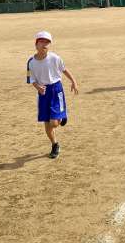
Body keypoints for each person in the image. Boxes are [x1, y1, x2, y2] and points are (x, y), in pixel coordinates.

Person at [27, 31, 79, 159]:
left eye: (47, 42)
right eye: (42, 41)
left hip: (56, 90)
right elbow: (30, 79)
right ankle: (55, 144)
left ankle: (62, 115)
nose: (44, 44)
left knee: (54, 123)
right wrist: (37, 87)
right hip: (43, 93)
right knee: (47, 123)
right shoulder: (31, 62)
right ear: (36, 44)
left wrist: (73, 82)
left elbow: (64, 70)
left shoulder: (55, 58)